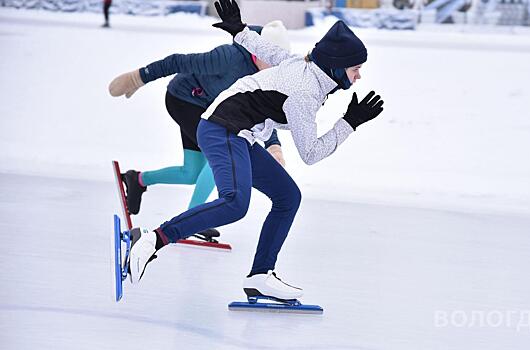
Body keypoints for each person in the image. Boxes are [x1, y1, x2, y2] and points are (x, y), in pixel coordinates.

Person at [127, 0, 384, 301]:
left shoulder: (302, 67)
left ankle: (261, 274)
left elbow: (269, 52)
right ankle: (153, 240)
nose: (358, 76)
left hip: (238, 133)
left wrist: (241, 31)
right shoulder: (304, 94)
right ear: (337, 67)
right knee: (235, 202)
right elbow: (311, 153)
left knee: (288, 197)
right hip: (223, 128)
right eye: (356, 69)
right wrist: (349, 123)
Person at [108, 21, 290, 238]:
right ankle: (193, 219)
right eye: (270, 58)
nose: (274, 66)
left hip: (213, 111)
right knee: (218, 159)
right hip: (184, 100)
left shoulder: (268, 74)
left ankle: (137, 180)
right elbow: (179, 61)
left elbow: (263, 112)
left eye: (279, 61)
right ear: (257, 50)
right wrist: (139, 77)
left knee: (192, 172)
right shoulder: (228, 58)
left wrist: (274, 145)